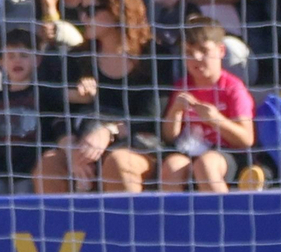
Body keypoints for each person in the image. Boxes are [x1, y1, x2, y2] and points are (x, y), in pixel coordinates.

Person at [33, 0, 175, 194]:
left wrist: (109, 132)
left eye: (91, 11)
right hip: (84, 144)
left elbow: (151, 118)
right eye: (81, 10)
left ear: (117, 9)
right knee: (49, 165)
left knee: (117, 163)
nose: (83, 18)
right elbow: (54, 113)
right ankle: (64, 230)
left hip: (138, 144)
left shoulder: (154, 57)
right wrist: (70, 147)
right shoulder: (79, 57)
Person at [103, 17, 256, 193]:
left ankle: (221, 216)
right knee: (172, 167)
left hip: (224, 152)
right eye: (189, 53)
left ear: (221, 50)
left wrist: (216, 120)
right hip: (186, 151)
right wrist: (175, 112)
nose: (196, 58)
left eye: (203, 51)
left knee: (206, 166)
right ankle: (173, 219)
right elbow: (169, 137)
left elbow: (246, 139)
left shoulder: (233, 88)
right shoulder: (182, 86)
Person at [0, 28, 49, 194]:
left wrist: (85, 88)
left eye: (23, 56)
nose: (17, 61)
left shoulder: (43, 93)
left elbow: (72, 96)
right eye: (10, 56)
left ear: (36, 60)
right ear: (1, 62)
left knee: (24, 204)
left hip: (29, 168)